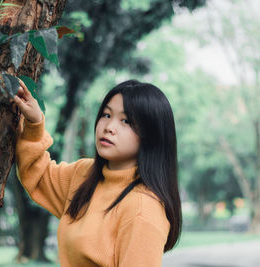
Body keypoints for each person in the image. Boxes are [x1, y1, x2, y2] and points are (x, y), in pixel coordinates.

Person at [13, 79, 182, 267]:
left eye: (125, 121)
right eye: (106, 114)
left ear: (151, 136)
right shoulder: (84, 174)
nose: (109, 127)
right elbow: (39, 174)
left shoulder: (143, 210)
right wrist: (34, 122)